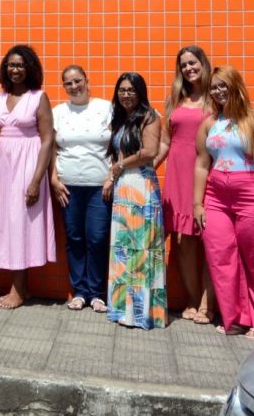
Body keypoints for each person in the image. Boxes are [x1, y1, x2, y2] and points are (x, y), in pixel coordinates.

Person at [194, 66, 254, 340]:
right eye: (214, 87)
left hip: (252, 193)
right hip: (217, 195)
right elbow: (201, 164)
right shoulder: (210, 123)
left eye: (224, 85)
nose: (218, 91)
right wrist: (197, 204)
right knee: (220, 255)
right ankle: (234, 317)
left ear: (236, 86)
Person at [0, 44, 55, 310]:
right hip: (4, 168)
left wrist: (37, 180)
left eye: (20, 65)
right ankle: (23, 287)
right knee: (8, 223)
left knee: (21, 223)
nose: (14, 69)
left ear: (30, 68)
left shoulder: (38, 97)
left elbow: (48, 139)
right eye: (10, 65)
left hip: (28, 164)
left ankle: (16, 289)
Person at [155, 45, 216, 324]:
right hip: (178, 173)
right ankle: (193, 299)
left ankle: (208, 304)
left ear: (203, 64)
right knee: (183, 240)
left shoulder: (216, 98)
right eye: (184, 65)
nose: (189, 68)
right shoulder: (175, 100)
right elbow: (166, 141)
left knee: (212, 240)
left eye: (193, 63)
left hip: (208, 171)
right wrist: (148, 168)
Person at [49, 65, 114, 313]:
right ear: (63, 86)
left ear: (87, 80)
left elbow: (117, 144)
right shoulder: (58, 112)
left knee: (97, 238)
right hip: (68, 187)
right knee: (75, 238)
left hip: (99, 186)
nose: (74, 87)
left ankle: (97, 294)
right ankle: (79, 292)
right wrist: (54, 179)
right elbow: (52, 150)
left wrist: (111, 176)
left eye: (78, 81)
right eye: (68, 83)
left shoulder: (106, 108)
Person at [106, 72, 166, 329]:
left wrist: (120, 165)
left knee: (142, 250)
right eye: (122, 90)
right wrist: (113, 175)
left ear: (140, 92)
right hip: (123, 188)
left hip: (142, 185)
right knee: (123, 249)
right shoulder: (120, 119)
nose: (126, 94)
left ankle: (142, 314)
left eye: (131, 90)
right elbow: (117, 155)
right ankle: (122, 310)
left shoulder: (149, 116)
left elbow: (150, 152)